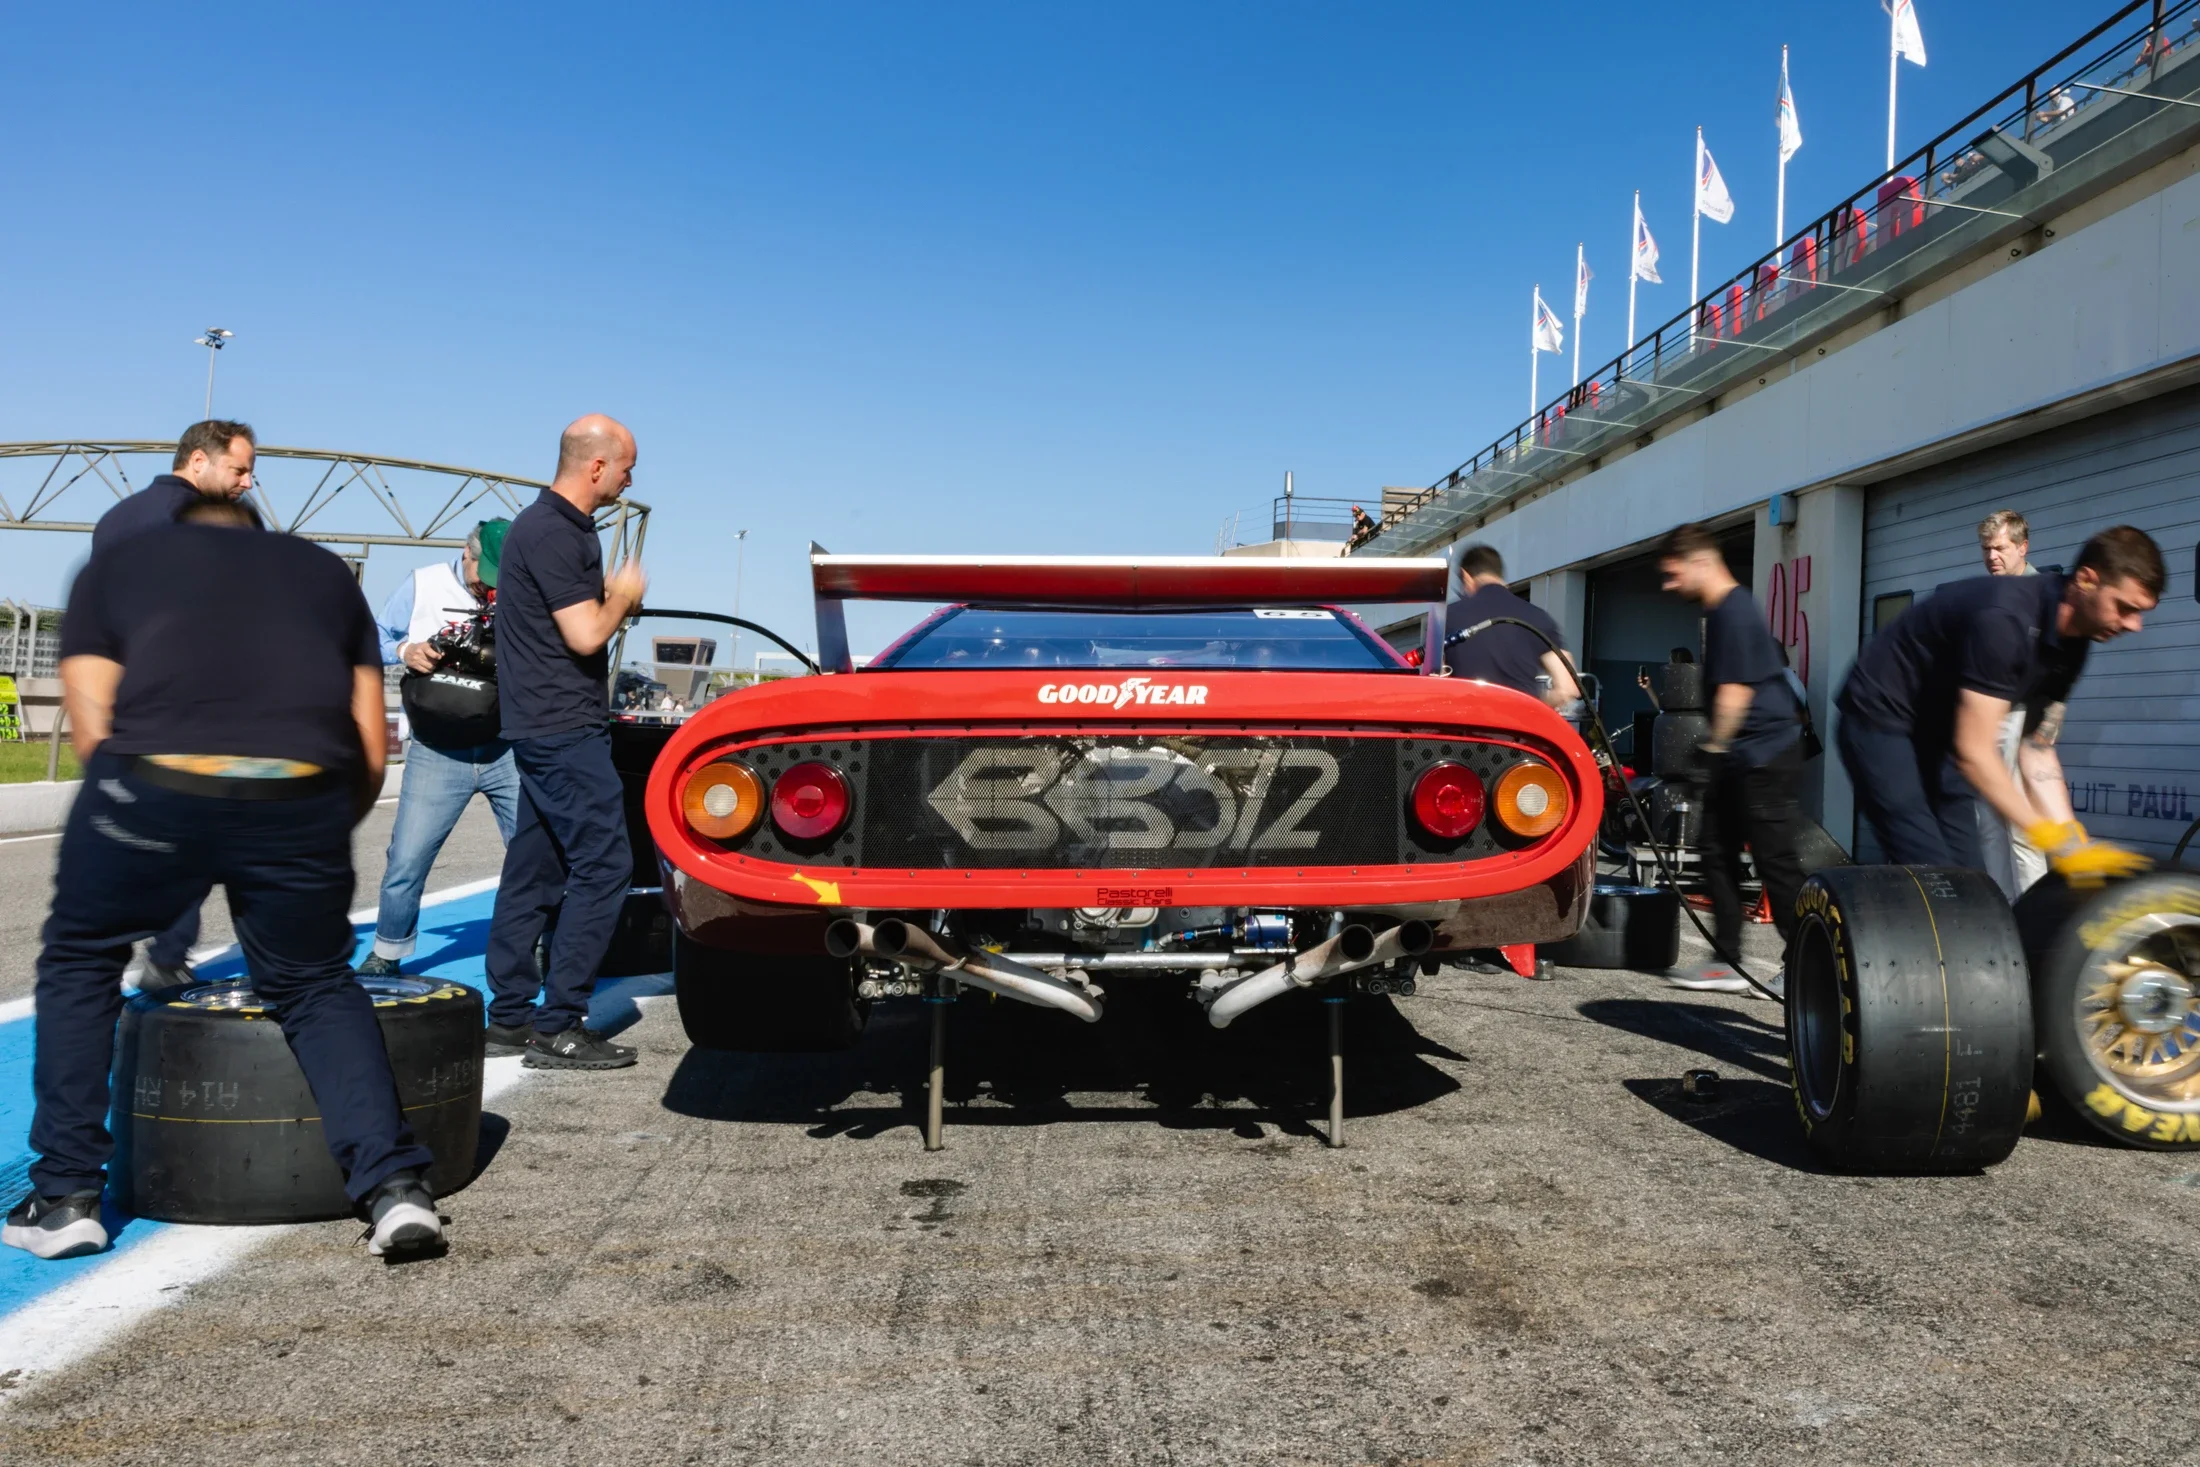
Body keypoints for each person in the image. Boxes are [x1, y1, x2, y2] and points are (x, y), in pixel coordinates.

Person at [6, 494, 444, 1261]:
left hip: (153, 777)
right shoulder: (322, 573)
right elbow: (372, 743)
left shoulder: (118, 565)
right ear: (259, 539)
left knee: (81, 958)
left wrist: (148, 825)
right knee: (313, 983)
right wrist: (303, 834)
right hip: (302, 787)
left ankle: (67, 1195)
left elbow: (92, 721)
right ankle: (395, 1189)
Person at [1835, 525, 2163, 880]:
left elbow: (2035, 747)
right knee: (1932, 873)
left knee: (1971, 880)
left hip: (1938, 736)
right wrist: (2045, 834)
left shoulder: (2073, 645)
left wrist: (2072, 841)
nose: (2134, 625)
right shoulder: (2006, 620)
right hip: (1879, 719)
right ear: (2086, 581)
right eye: (2125, 608)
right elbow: (1975, 752)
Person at [481, 415, 647, 1070]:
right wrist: (623, 599)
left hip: (544, 721)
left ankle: (511, 1016)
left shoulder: (558, 528)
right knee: (605, 863)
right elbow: (584, 635)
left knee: (537, 866)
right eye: (628, 465)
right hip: (561, 724)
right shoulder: (553, 531)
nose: (633, 477)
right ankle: (560, 1021)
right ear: (596, 466)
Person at [87, 420, 259, 987]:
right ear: (199, 463)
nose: (248, 483)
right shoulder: (202, 526)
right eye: (239, 469)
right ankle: (168, 955)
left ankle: (111, 952)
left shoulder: (118, 516)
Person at [357, 519, 520, 977]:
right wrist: (407, 649)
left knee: (535, 854)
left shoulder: (523, 591)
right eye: (484, 576)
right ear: (466, 554)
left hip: (507, 748)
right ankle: (388, 952)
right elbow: (372, 636)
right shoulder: (423, 583)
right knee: (407, 857)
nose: (489, 588)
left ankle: (540, 943)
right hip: (436, 749)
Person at [1656, 523, 1806, 999]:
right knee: (1714, 849)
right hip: (1745, 752)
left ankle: (1809, 965)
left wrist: (1712, 749)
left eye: (1673, 574)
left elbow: (1737, 691)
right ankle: (1726, 960)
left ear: (1701, 562)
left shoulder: (1735, 610)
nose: (1669, 585)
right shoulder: (1721, 611)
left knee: (1776, 865)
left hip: (1762, 754)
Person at [1973, 510, 2049, 900]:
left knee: (2022, 831)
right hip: (1986, 722)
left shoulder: (2041, 597)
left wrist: (2042, 732)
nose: (1992, 557)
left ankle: (2033, 924)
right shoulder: (1989, 595)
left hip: (2021, 720)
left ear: (2022, 547)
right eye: (1986, 549)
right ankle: (2004, 914)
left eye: (2000, 548)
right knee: (1988, 824)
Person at [1442, 545, 1582, 710]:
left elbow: (1436, 681)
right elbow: (1568, 688)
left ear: (1465, 576)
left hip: (1466, 728)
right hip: (1520, 731)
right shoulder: (1538, 617)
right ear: (1499, 574)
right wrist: (1532, 709)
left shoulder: (1446, 616)